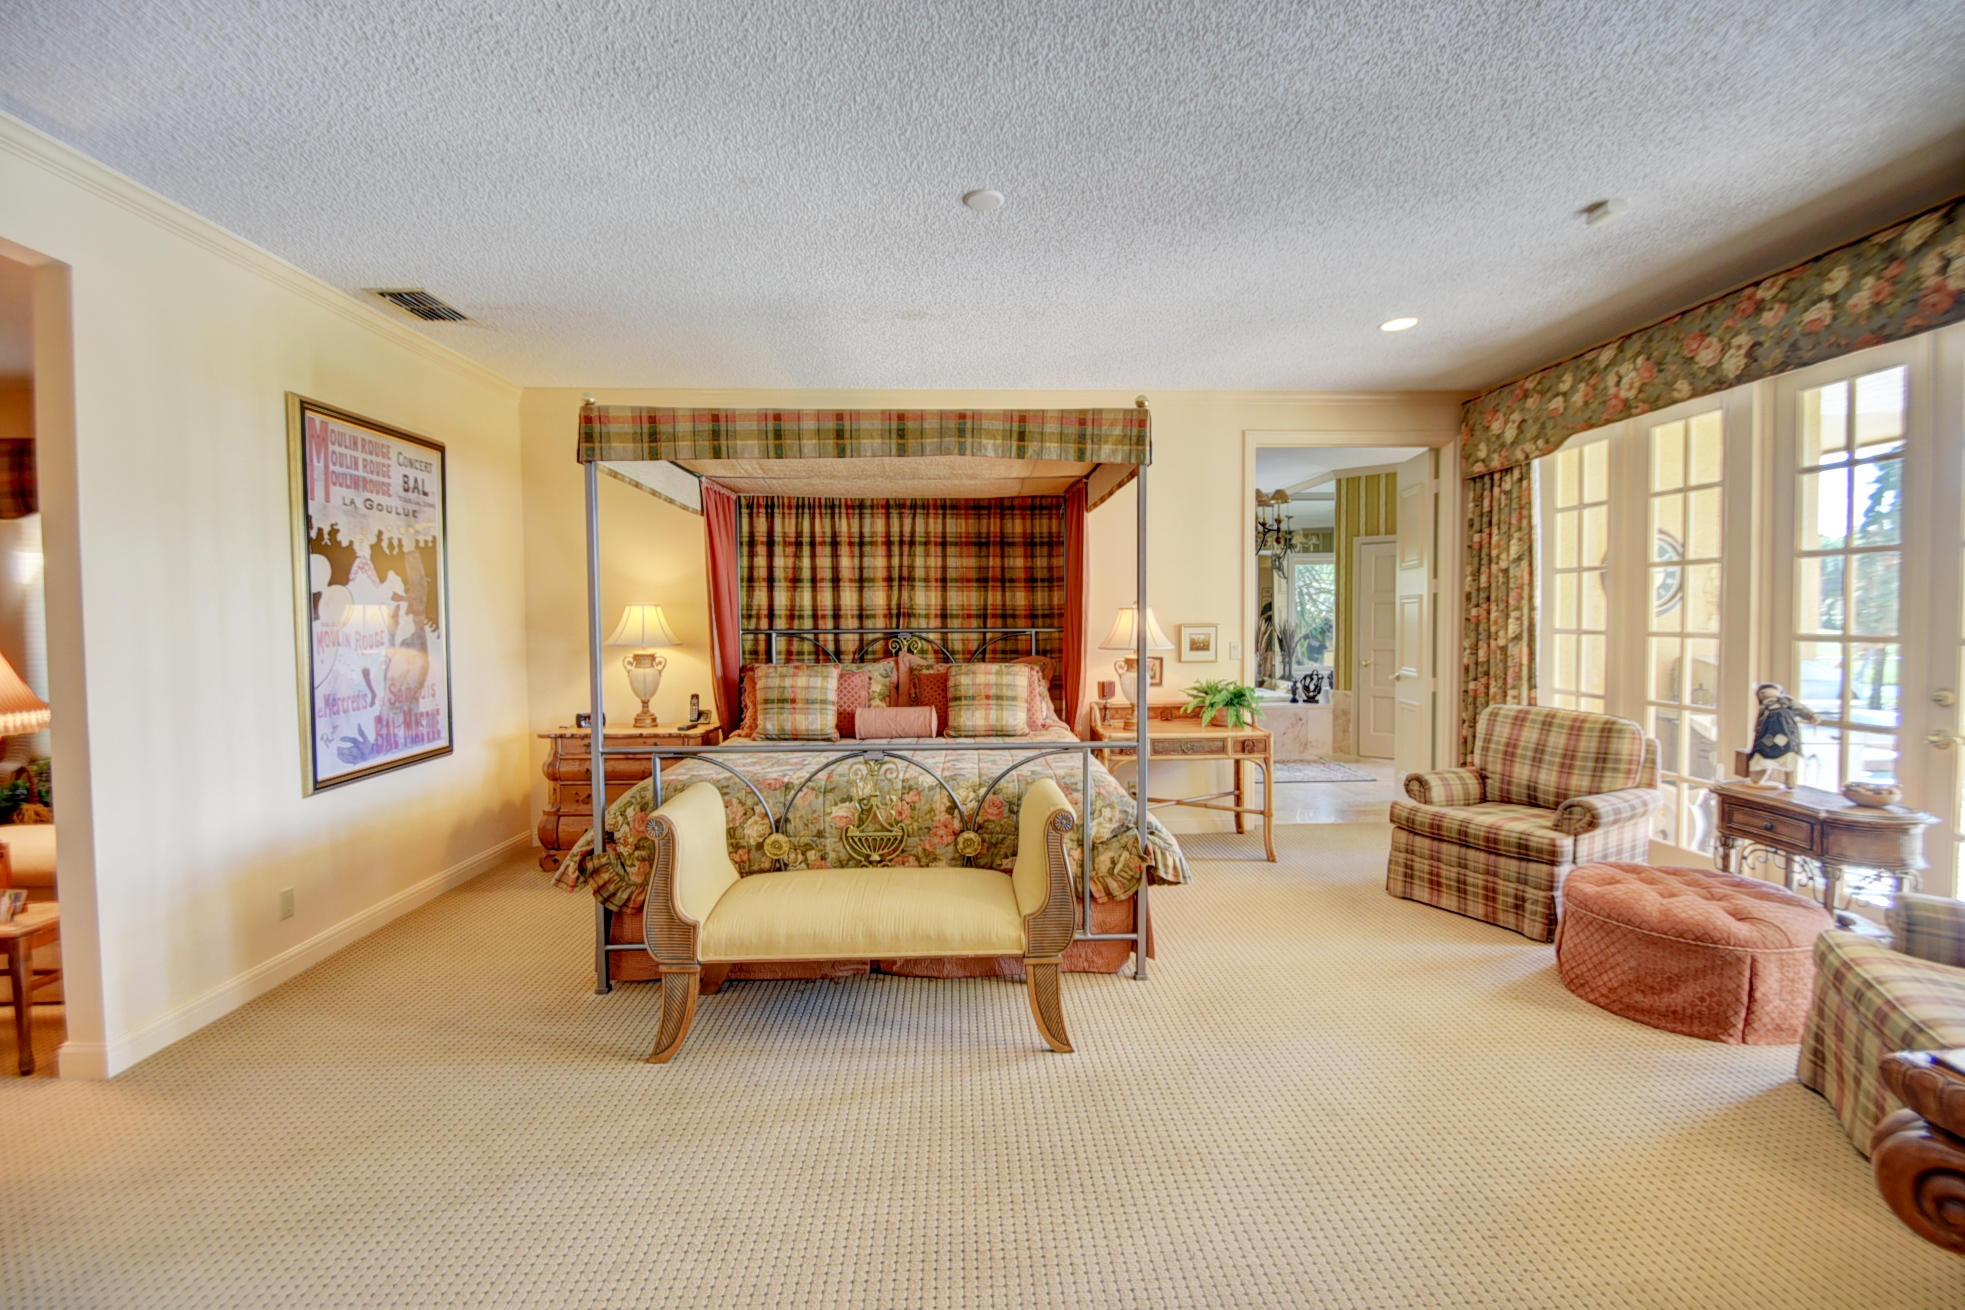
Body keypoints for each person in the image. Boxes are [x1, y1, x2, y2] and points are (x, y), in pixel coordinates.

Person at [1747, 682, 1816, 787]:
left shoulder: (1786, 701)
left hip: (1786, 734)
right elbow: (1759, 723)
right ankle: (1757, 778)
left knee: (1789, 757)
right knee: (1762, 757)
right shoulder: (1764, 707)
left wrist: (1810, 715)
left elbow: (1800, 708)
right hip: (1767, 736)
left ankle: (1790, 781)